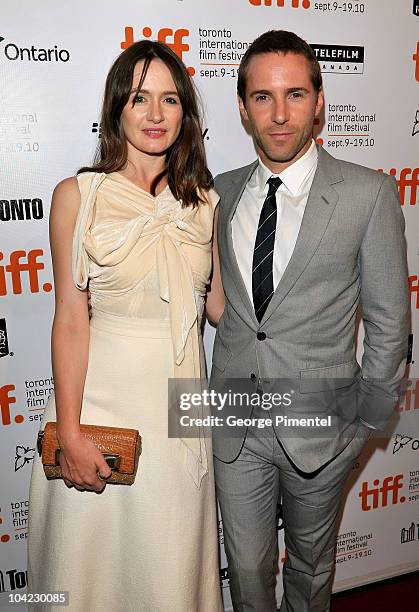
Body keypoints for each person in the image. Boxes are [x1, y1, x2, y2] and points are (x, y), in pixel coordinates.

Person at [205, 30, 409, 612]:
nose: (279, 114)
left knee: (311, 570)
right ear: (242, 107)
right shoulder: (219, 194)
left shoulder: (367, 194)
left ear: (320, 102)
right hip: (236, 423)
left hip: (323, 426)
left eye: (295, 94)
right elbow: (229, 310)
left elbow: (391, 323)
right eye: (263, 97)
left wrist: (361, 427)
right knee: (245, 570)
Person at [28, 40, 223, 612]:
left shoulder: (206, 202)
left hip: (179, 413)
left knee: (166, 569)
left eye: (170, 100)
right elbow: (70, 320)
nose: (156, 115)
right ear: (117, 108)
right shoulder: (77, 196)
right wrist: (70, 430)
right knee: (88, 570)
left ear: (186, 113)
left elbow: (221, 312)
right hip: (98, 407)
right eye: (140, 99)